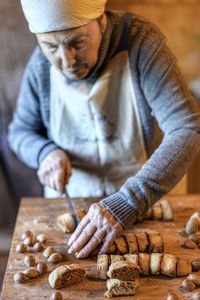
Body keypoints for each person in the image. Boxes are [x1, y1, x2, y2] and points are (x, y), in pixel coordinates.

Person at [8, 0, 200, 258]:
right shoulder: (39, 66)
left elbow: (187, 127)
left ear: (102, 22)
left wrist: (128, 202)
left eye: (77, 42)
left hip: (148, 202)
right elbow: (20, 132)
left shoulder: (141, 43)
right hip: (75, 202)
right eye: (50, 46)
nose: (67, 60)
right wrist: (45, 152)